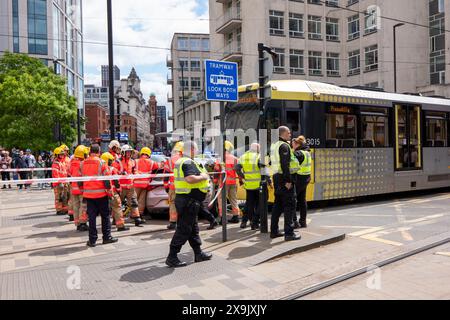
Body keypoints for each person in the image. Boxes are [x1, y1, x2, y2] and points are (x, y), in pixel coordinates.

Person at [165, 140, 212, 268]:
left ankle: (198, 253)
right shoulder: (187, 162)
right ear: (191, 150)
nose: (197, 151)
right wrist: (203, 176)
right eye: (196, 149)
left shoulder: (181, 161)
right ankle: (172, 256)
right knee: (184, 229)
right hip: (188, 201)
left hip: (187, 200)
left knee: (193, 228)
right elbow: (190, 179)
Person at [80, 144, 118, 247]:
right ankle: (106, 237)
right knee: (105, 216)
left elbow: (79, 180)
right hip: (101, 194)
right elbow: (106, 180)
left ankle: (92, 240)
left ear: (90, 151)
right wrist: (110, 192)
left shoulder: (83, 163)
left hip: (88, 195)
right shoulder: (102, 162)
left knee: (91, 218)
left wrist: (82, 191)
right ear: (99, 151)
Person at [269, 126, 301, 241]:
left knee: (277, 205)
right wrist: (288, 181)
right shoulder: (284, 146)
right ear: (283, 133)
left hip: (277, 177)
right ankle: (289, 233)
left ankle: (274, 231)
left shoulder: (274, 145)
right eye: (288, 133)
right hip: (284, 178)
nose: (290, 134)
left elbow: (271, 161)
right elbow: (285, 164)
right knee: (289, 205)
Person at [112, 145, 144, 226]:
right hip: (120, 187)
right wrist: (120, 173)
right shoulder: (117, 161)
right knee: (118, 204)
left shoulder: (132, 161)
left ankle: (137, 218)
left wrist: (137, 174)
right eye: (127, 152)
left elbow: (134, 171)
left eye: (130, 152)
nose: (129, 154)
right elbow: (114, 171)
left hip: (130, 186)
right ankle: (115, 219)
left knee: (134, 202)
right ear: (123, 152)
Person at [236, 143, 262, 230]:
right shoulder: (259, 156)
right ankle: (254, 222)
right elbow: (263, 170)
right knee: (260, 204)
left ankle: (247, 221)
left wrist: (243, 176)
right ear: (257, 149)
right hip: (258, 185)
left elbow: (237, 168)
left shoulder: (243, 156)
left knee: (249, 204)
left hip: (248, 184)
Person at [101, 152, 129, 232]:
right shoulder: (112, 169)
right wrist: (119, 189)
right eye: (111, 160)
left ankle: (108, 225)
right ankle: (120, 225)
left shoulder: (101, 169)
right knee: (117, 207)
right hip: (113, 192)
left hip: (103, 193)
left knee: (107, 210)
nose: (112, 162)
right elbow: (116, 181)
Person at [214, 141, 240, 224]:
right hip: (232, 181)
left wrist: (215, 181)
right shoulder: (235, 158)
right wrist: (240, 179)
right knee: (233, 199)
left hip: (223, 182)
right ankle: (236, 216)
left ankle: (223, 218)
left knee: (222, 200)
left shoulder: (220, 159)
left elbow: (216, 170)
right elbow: (238, 170)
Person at [134, 147, 161, 221]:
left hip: (136, 184)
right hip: (145, 185)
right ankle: (139, 215)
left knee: (134, 200)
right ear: (149, 154)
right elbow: (160, 166)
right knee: (141, 200)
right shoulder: (151, 162)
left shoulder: (136, 161)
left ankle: (134, 215)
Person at [163, 141, 184, 230]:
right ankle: (183, 222)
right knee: (184, 204)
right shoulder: (186, 159)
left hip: (173, 186)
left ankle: (173, 222)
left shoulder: (170, 160)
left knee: (173, 204)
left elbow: (166, 174)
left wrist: (165, 186)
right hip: (184, 187)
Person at [292, 136, 311, 229]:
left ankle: (294, 222)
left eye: (294, 144)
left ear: (298, 144)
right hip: (306, 178)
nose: (292, 145)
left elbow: (293, 166)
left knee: (293, 200)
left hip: (298, 179)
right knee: (302, 200)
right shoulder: (307, 152)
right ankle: (303, 221)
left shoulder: (298, 153)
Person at [68, 145, 89, 231]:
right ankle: (83, 223)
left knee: (75, 206)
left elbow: (68, 174)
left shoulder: (71, 163)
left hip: (73, 188)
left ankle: (77, 223)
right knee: (83, 206)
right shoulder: (83, 164)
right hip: (82, 188)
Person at [52, 147, 69, 215]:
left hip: (64, 182)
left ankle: (64, 209)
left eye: (62, 154)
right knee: (58, 197)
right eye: (60, 154)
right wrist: (60, 182)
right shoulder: (55, 163)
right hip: (58, 183)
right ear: (56, 155)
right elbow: (56, 174)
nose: (62, 156)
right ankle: (59, 210)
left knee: (64, 196)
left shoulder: (62, 162)